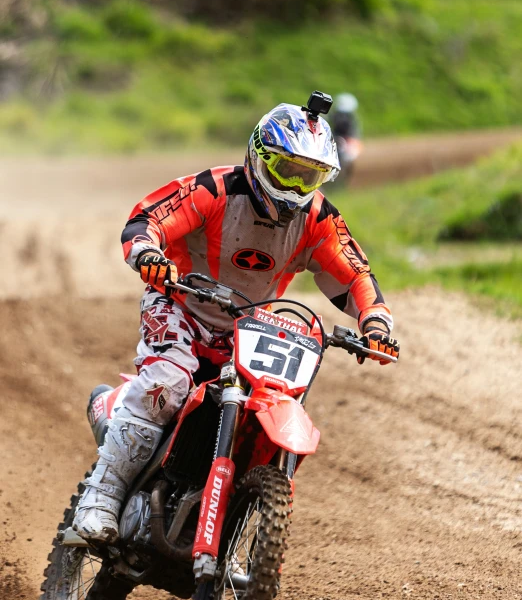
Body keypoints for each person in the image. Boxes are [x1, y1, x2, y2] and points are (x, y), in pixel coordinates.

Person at [73, 92, 399, 544]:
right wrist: (148, 254)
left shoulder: (318, 217)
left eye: (311, 175)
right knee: (167, 383)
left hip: (249, 327)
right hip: (180, 305)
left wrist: (376, 323)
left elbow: (354, 273)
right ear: (260, 156)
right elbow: (146, 220)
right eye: (288, 169)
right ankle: (102, 496)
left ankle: (219, 505)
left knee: (269, 399)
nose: (295, 186)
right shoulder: (214, 189)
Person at [332, 93, 362, 183]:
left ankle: (343, 177)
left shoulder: (353, 120)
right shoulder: (334, 116)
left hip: (347, 141)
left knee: (347, 157)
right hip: (336, 138)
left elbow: (354, 135)